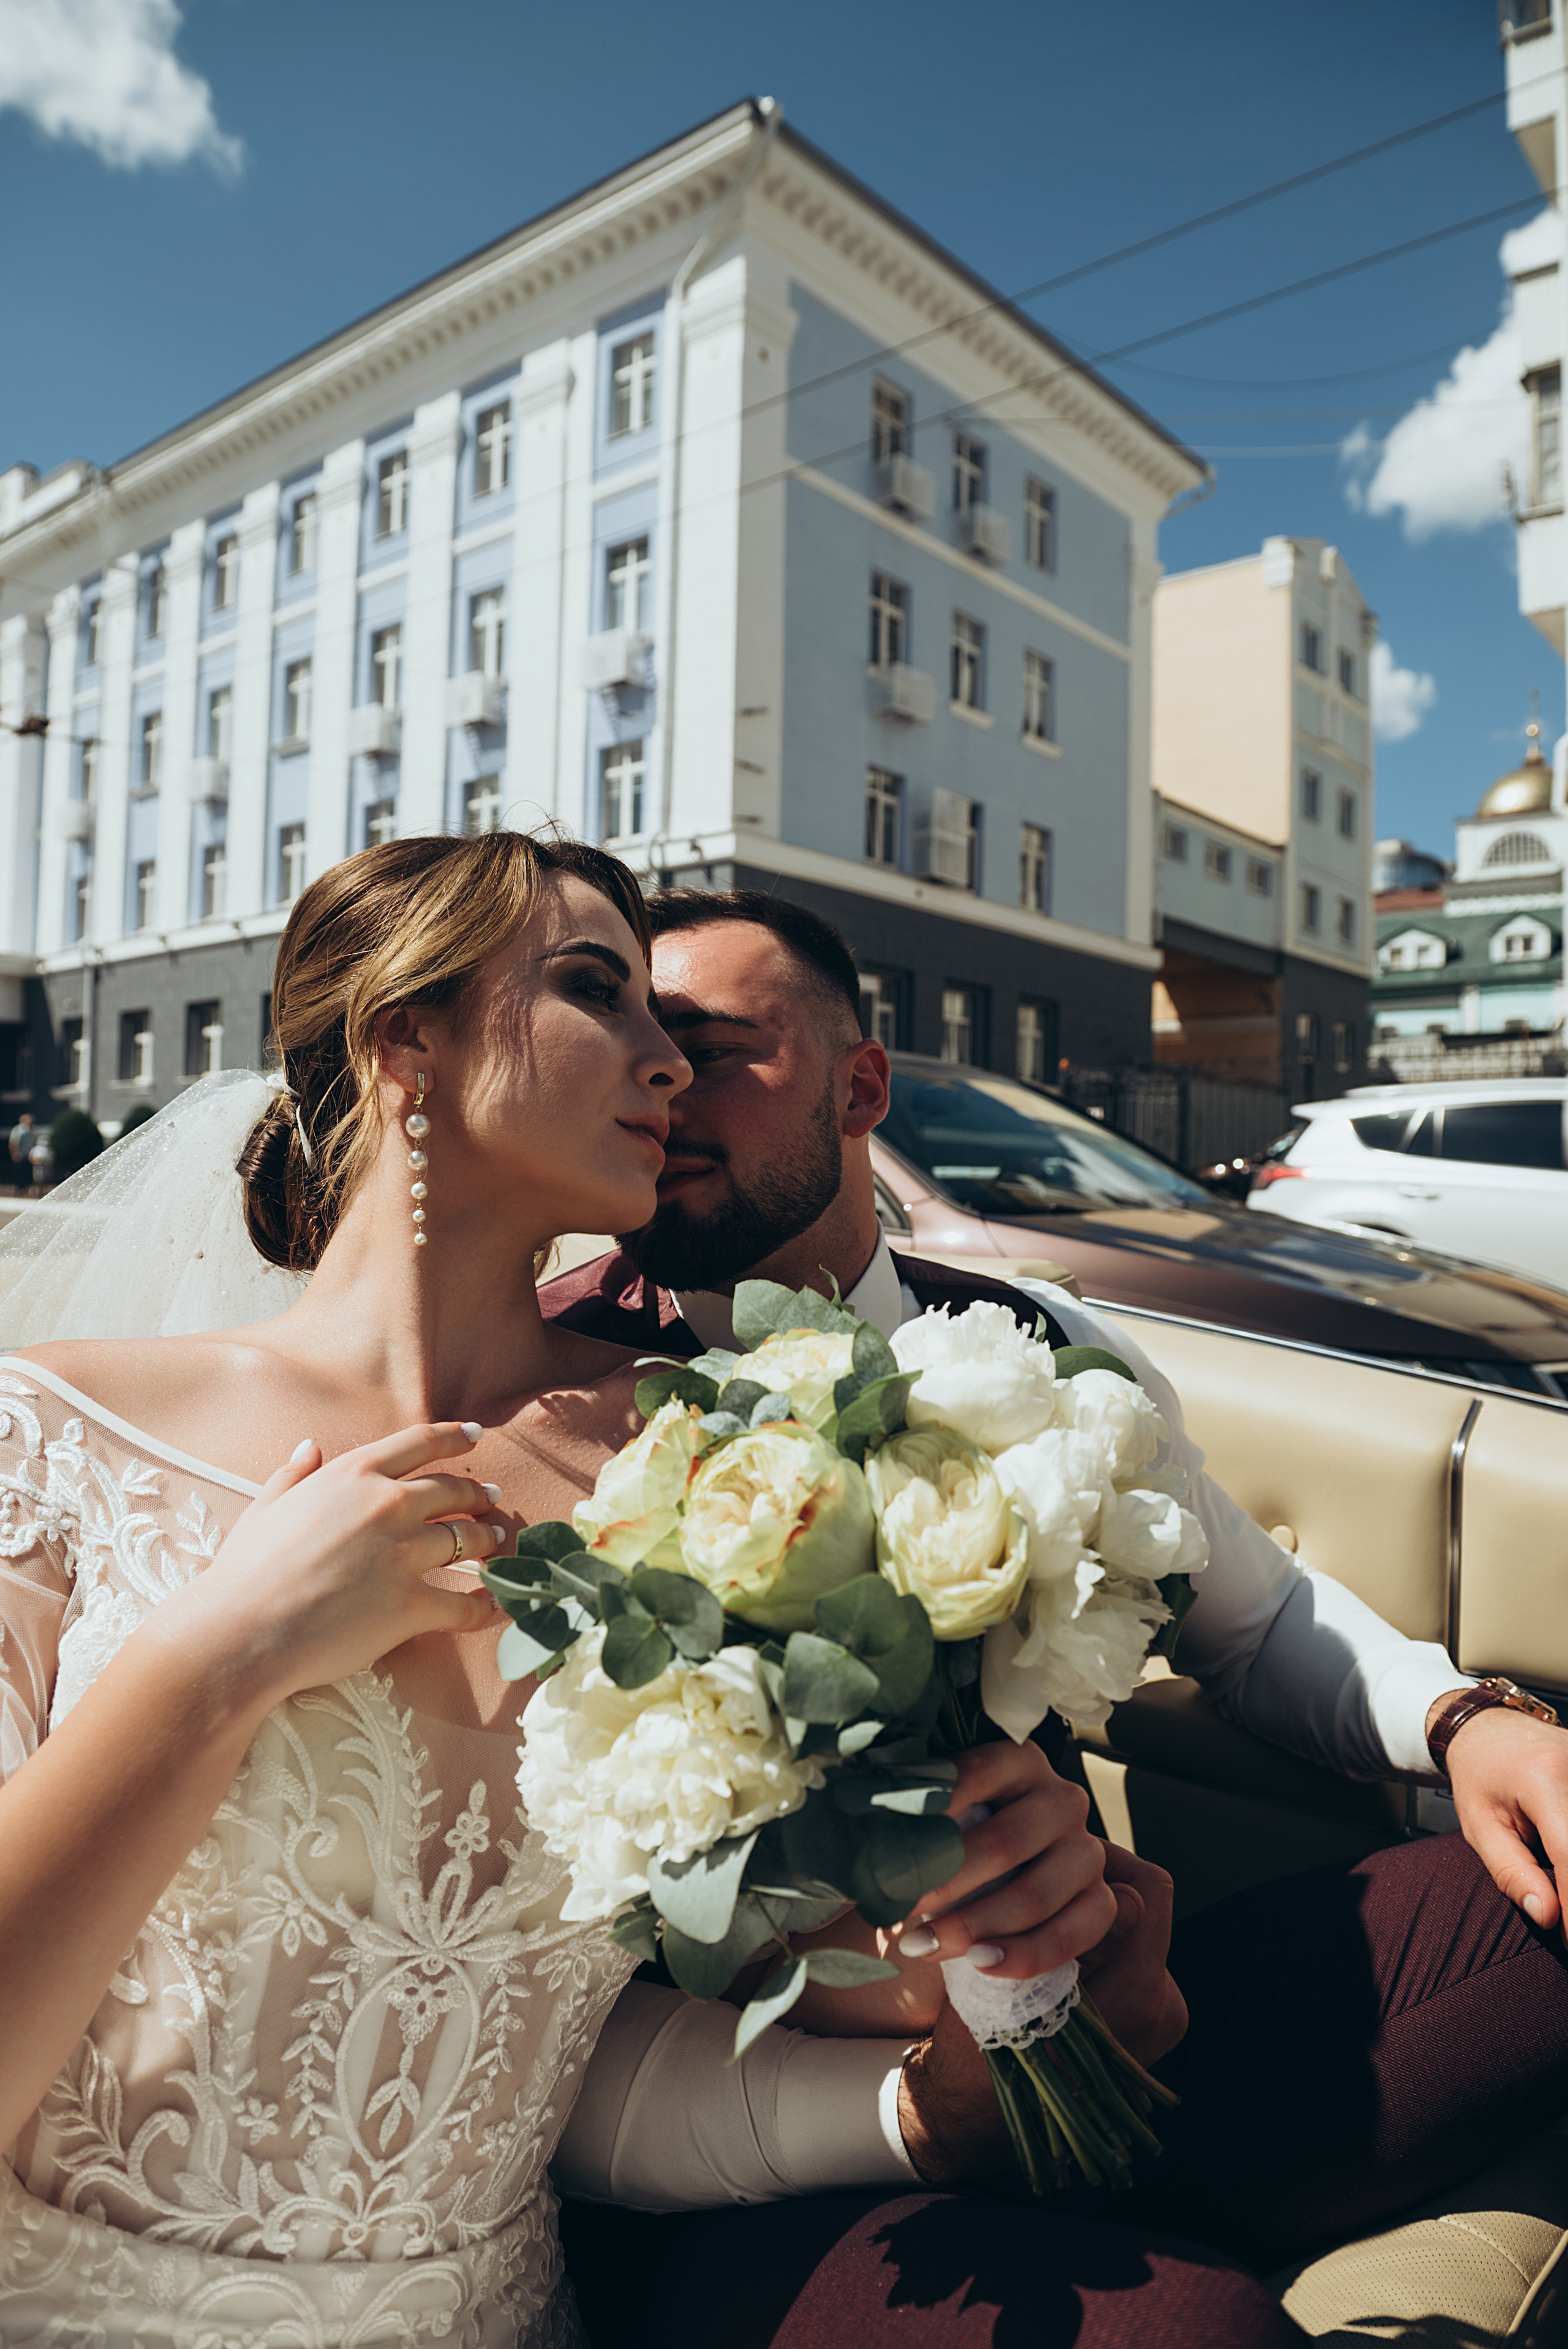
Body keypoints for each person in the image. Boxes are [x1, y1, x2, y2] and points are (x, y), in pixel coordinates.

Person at [0, 832, 1297, 2349]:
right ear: (402, 1033)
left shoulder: (713, 1465)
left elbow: (570, 2060)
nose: (664, 1064)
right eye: (596, 990)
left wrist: (940, 2018)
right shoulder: (53, 1433)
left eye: (674, 1026)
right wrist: (220, 1654)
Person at [543, 887, 1568, 2301]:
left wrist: (1466, 1719)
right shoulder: (547, 1399)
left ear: (859, 1085)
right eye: (633, 1047)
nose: (657, 1081)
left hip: (1112, 2020)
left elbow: (1258, 1620)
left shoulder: (1031, 1342)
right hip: (787, 2140)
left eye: (710, 1047)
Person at [7, 1110, 36, 1189]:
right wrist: (15, 1153)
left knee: (28, 1173)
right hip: (20, 1155)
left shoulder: (32, 1130)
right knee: (20, 1174)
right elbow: (13, 1142)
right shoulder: (18, 1130)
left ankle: (27, 1188)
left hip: (28, 1155)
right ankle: (19, 1189)